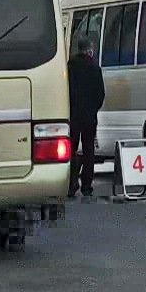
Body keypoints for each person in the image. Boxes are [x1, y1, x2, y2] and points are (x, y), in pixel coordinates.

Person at [67, 37, 105, 200]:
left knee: (71, 149)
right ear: (89, 49)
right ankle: (87, 185)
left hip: (73, 115)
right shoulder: (95, 68)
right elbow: (100, 94)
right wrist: (93, 109)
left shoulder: (70, 67)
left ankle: (71, 183)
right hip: (89, 116)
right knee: (89, 149)